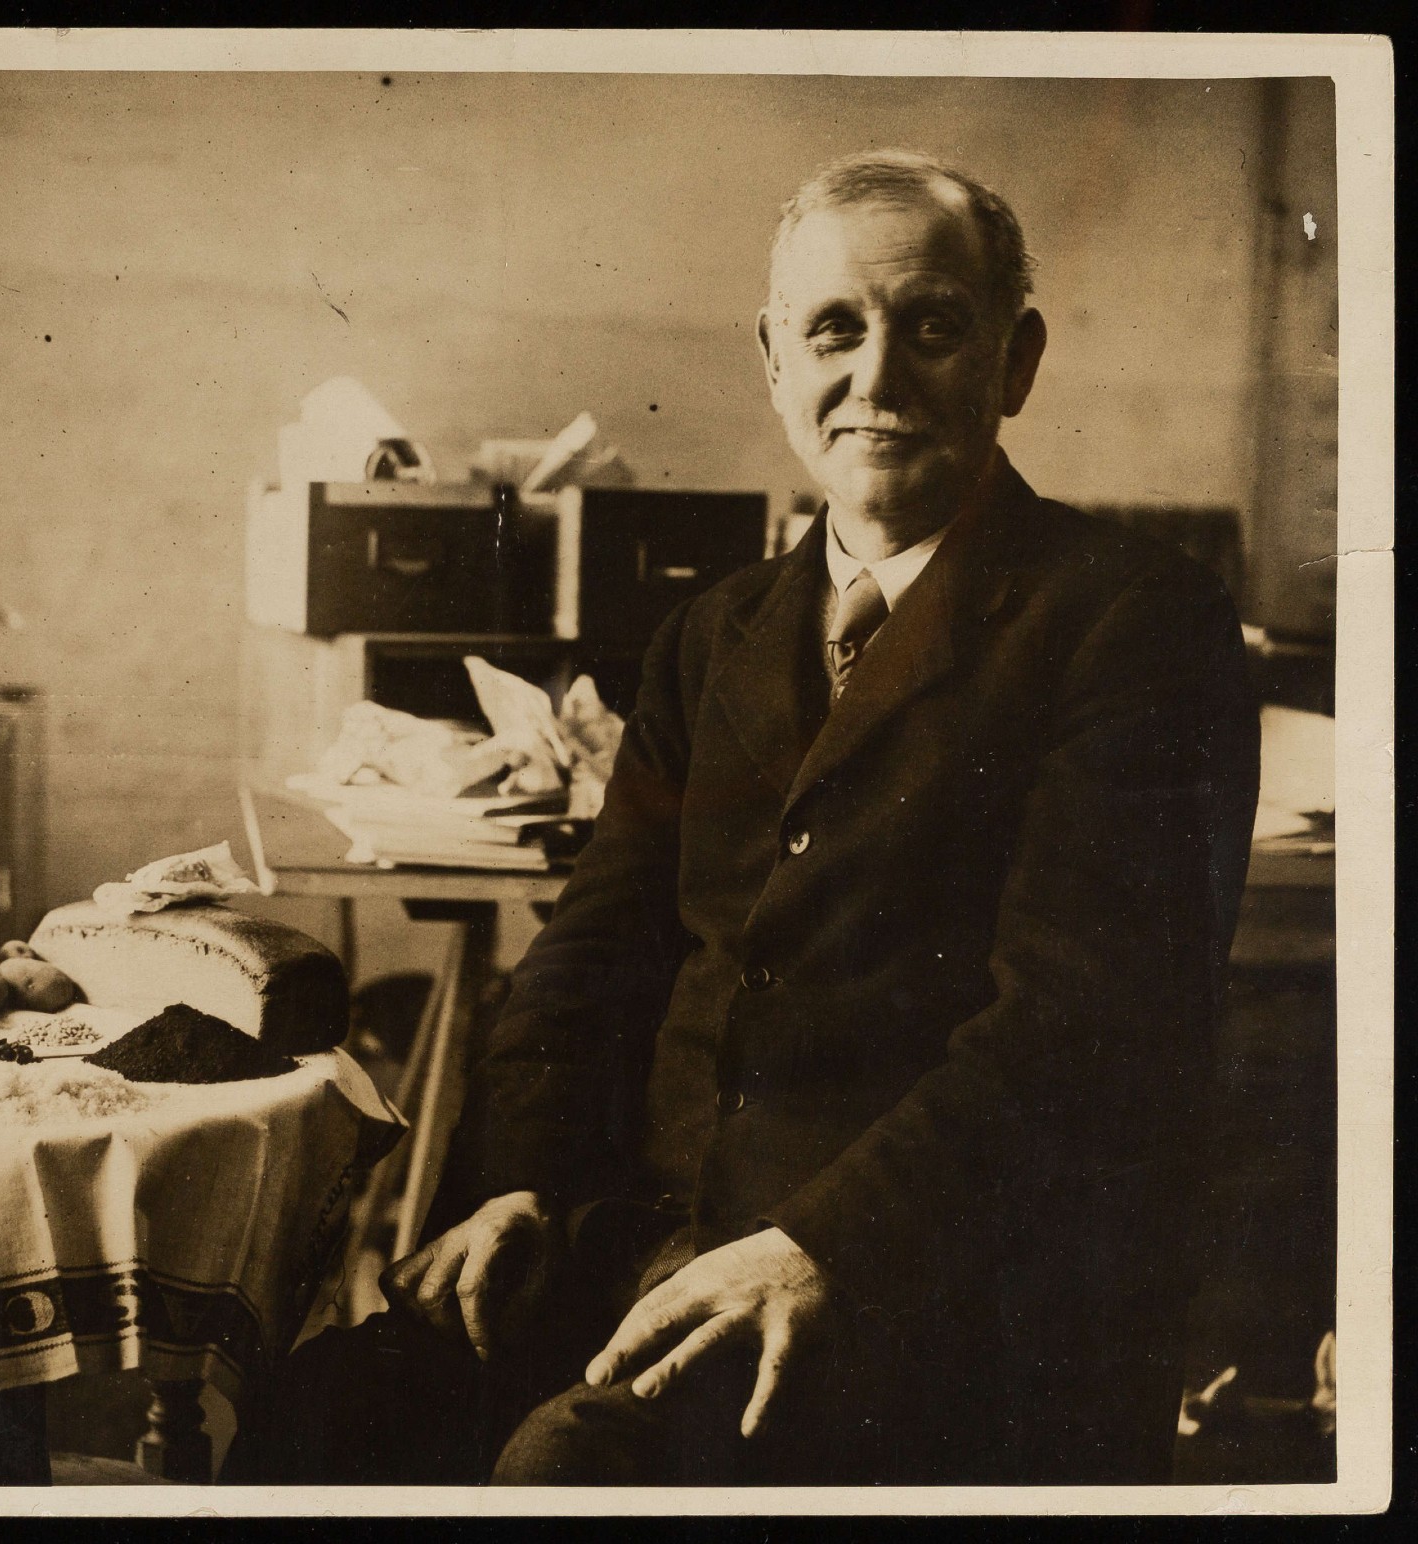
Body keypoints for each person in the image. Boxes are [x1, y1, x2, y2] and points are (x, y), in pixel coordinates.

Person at [225, 150, 1261, 1487]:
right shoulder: (715, 634)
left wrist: (827, 1246)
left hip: (923, 1286)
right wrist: (516, 1183)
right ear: (774, 360)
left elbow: (1081, 1032)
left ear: (1015, 363)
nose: (876, 376)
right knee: (305, 1427)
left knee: (564, 1470)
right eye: (833, 330)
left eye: (932, 328)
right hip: (644, 1243)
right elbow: (591, 953)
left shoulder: (1134, 623)